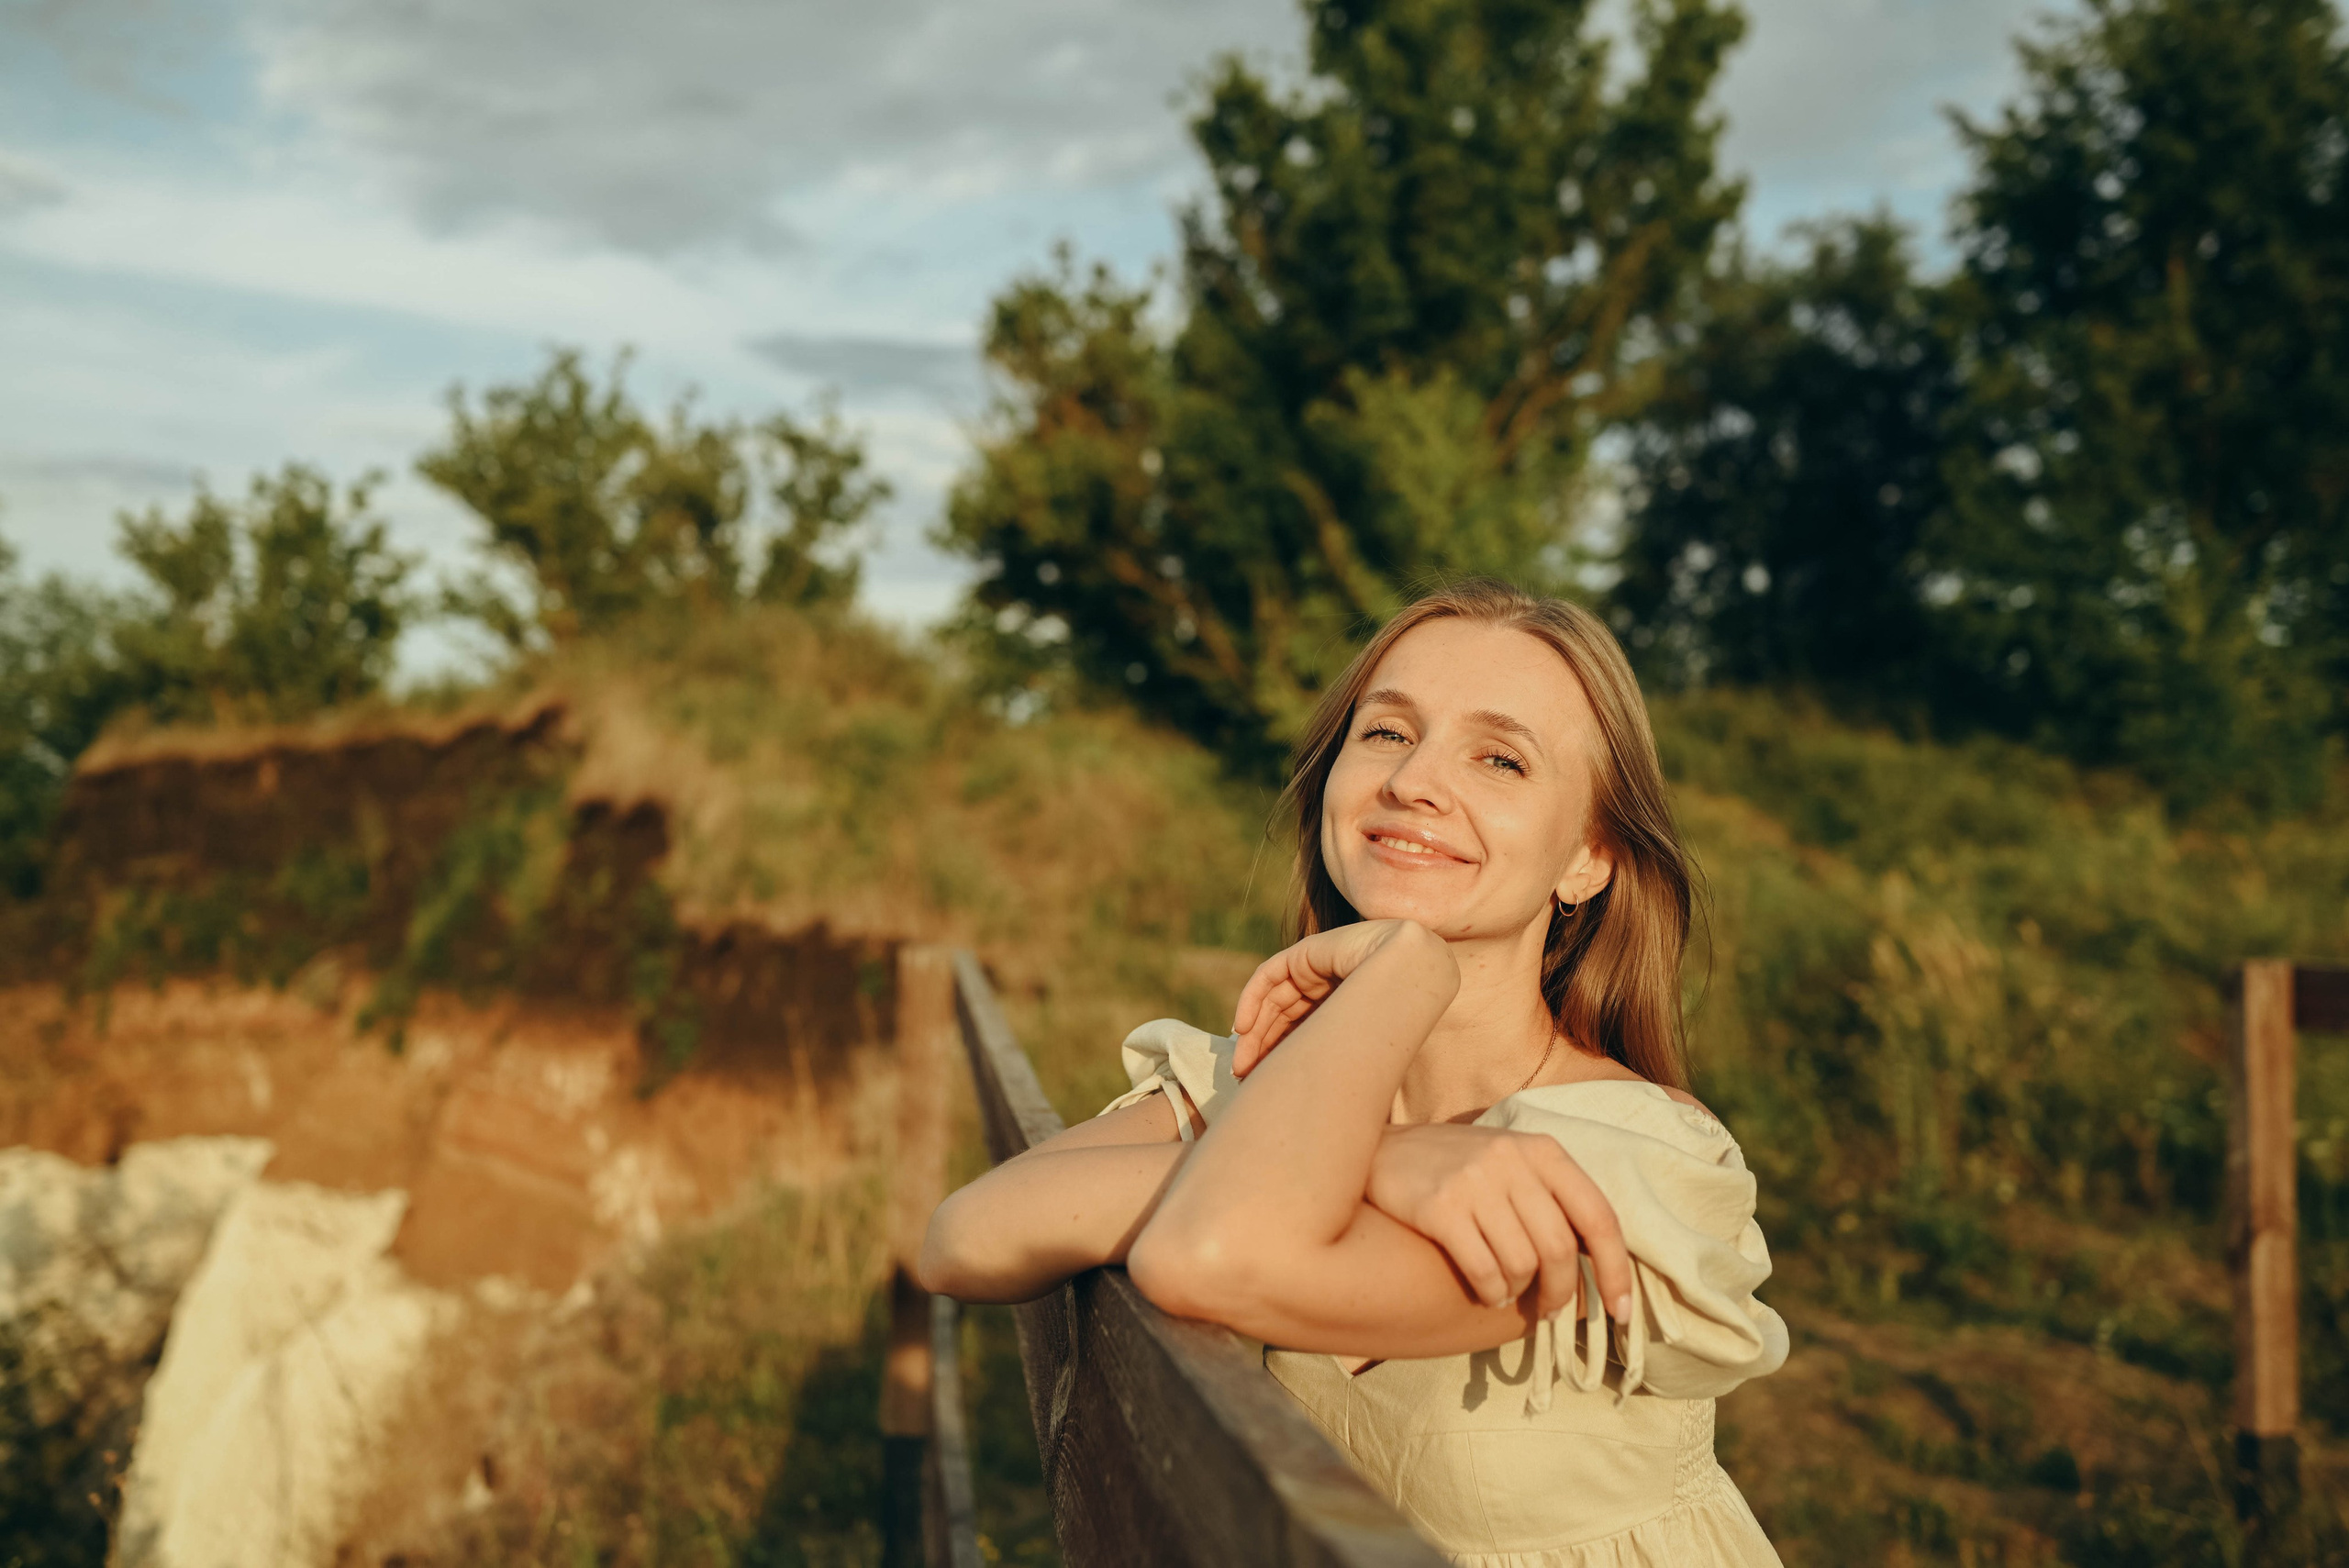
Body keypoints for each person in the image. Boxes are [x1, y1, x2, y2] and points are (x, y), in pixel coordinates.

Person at [919, 578, 1787, 1566]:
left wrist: (1390, 998)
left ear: (1588, 857)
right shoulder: (1251, 1082)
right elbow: (964, 1235)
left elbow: (1210, 1253)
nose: (1414, 780)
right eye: (1384, 733)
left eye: (1499, 757)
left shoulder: (1623, 1164)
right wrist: (1389, 1152)